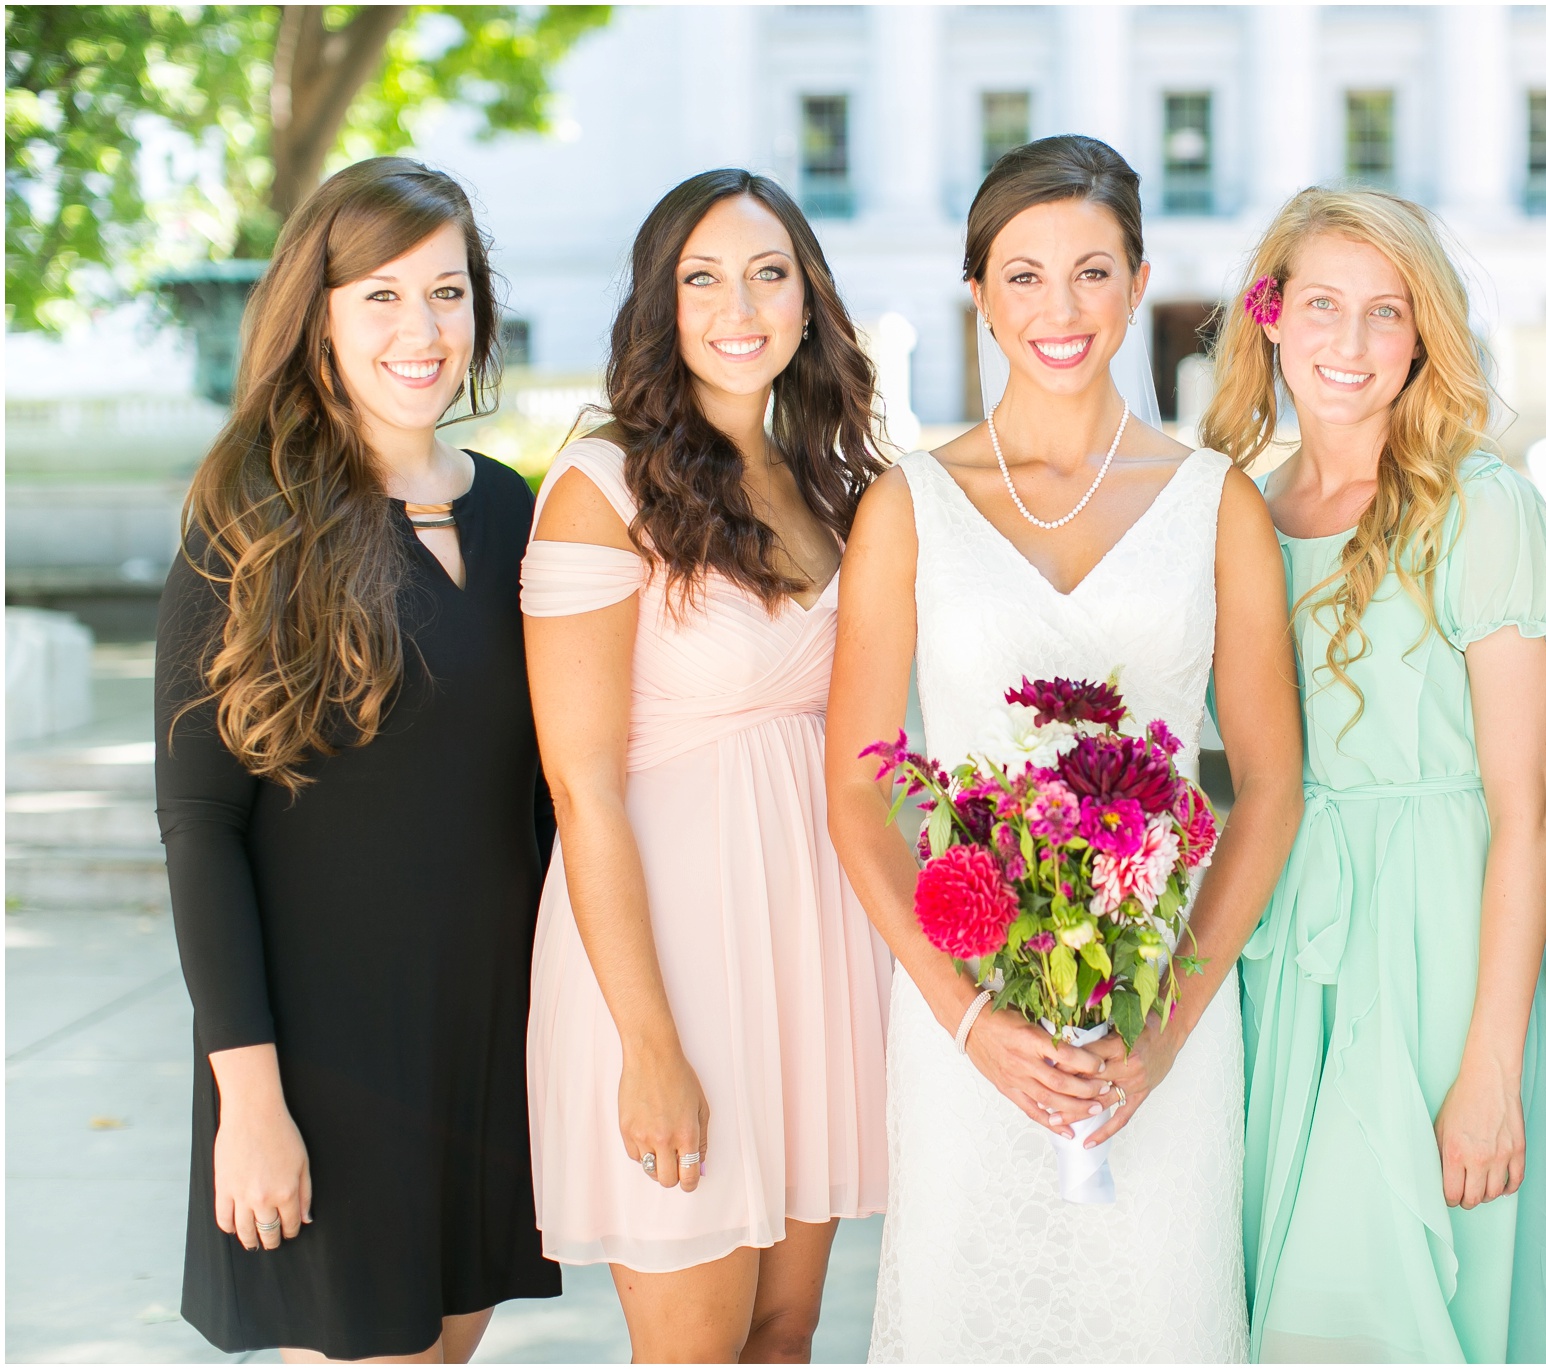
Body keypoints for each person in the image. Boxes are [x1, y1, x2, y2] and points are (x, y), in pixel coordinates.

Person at [824, 134, 1303, 1362]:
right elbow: (857, 797)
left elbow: (1268, 786)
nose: (1060, 307)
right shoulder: (907, 504)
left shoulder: (1216, 501)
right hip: (967, 1011)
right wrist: (968, 1020)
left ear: (1138, 283)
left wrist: (1169, 1024)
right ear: (976, 293)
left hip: (1162, 1011)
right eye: (1023, 274)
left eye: (1092, 271)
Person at [155, 156, 559, 1362]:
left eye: (445, 292)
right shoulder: (249, 520)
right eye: (378, 294)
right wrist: (252, 1102)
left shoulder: (516, 509)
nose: (419, 329)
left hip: (486, 1036)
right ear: (317, 314)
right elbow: (201, 827)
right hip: (320, 1054)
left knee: (450, 1344)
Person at [1205, 187, 1546, 1363]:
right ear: (1268, 315)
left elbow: (1525, 815)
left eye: (1387, 312)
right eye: (1321, 304)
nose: (1351, 343)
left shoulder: (1481, 507)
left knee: (1417, 1305)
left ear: (1424, 334)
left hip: (1439, 955)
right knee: (1300, 1309)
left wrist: (1488, 1072)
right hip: (1288, 952)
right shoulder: (1237, 515)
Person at [522, 169, 891, 1364]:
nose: (739, 305)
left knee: (783, 1339)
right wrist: (649, 1045)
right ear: (660, 305)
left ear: (806, 298)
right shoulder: (600, 488)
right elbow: (580, 789)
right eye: (702, 277)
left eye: (767, 272)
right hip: (672, 966)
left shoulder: (832, 485)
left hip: (814, 952)